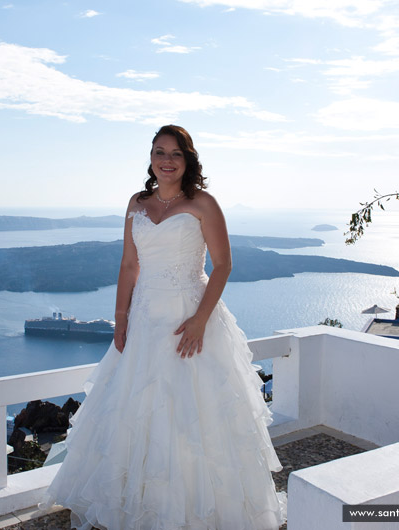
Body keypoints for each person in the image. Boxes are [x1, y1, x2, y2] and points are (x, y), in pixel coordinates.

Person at [41, 125, 286, 529]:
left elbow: (223, 265)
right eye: (159, 152)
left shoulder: (203, 203)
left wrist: (200, 321)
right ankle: (138, 503)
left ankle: (194, 508)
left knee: (194, 414)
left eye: (175, 153)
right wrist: (120, 320)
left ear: (187, 159)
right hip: (144, 317)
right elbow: (129, 265)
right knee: (135, 408)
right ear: (151, 158)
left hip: (190, 315)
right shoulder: (136, 203)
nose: (166, 160)